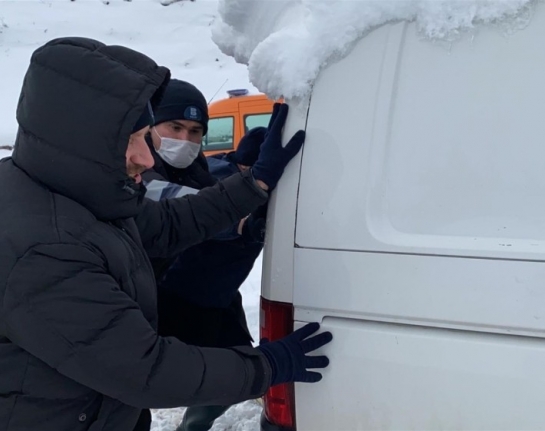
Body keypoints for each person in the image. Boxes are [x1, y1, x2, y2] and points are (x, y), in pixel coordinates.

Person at [0, 37, 332, 431]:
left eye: (146, 138)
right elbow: (145, 371)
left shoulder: (72, 189)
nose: (146, 157)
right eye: (133, 141)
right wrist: (267, 366)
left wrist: (254, 184)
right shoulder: (45, 249)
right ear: (80, 139)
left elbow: (167, 223)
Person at [136, 78, 272, 431]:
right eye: (175, 127)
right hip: (154, 298)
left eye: (196, 131)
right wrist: (242, 221)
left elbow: (208, 180)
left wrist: (239, 167)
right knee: (137, 390)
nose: (184, 140)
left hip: (209, 294)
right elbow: (185, 205)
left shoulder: (195, 166)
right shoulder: (137, 173)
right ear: (150, 125)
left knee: (238, 372)